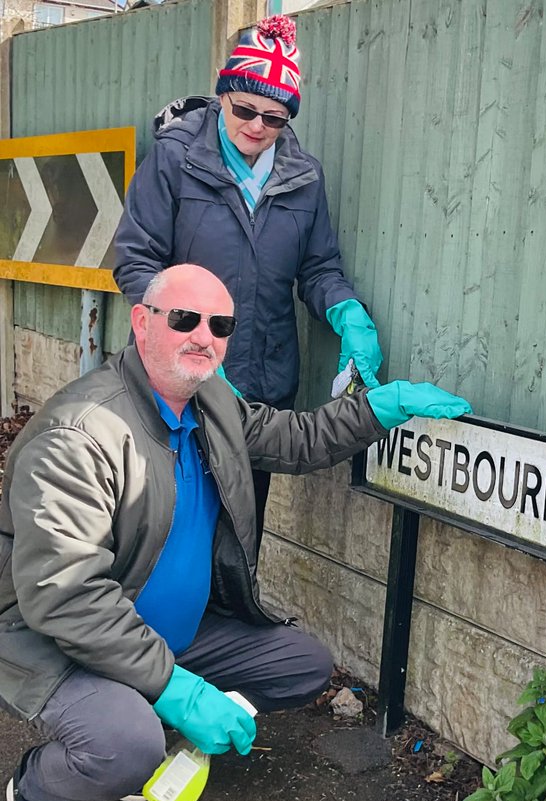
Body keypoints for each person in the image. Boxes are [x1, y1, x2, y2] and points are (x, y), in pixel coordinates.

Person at [0, 264, 470, 801]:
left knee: (303, 666)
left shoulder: (210, 398)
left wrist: (379, 409)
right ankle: (37, 787)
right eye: (184, 319)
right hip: (60, 644)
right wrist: (179, 691)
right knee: (127, 747)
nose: (204, 336)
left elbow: (294, 439)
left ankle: (147, 704)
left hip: (170, 627)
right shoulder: (79, 435)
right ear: (142, 324)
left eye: (219, 325)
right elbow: (63, 597)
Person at [113, 14, 384, 541]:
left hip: (259, 393)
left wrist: (347, 311)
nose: (257, 126)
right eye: (244, 109)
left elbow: (318, 268)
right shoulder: (175, 159)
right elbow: (135, 260)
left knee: (237, 538)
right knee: (162, 535)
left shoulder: (305, 179)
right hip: (174, 386)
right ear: (224, 88)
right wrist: (187, 338)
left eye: (275, 117)